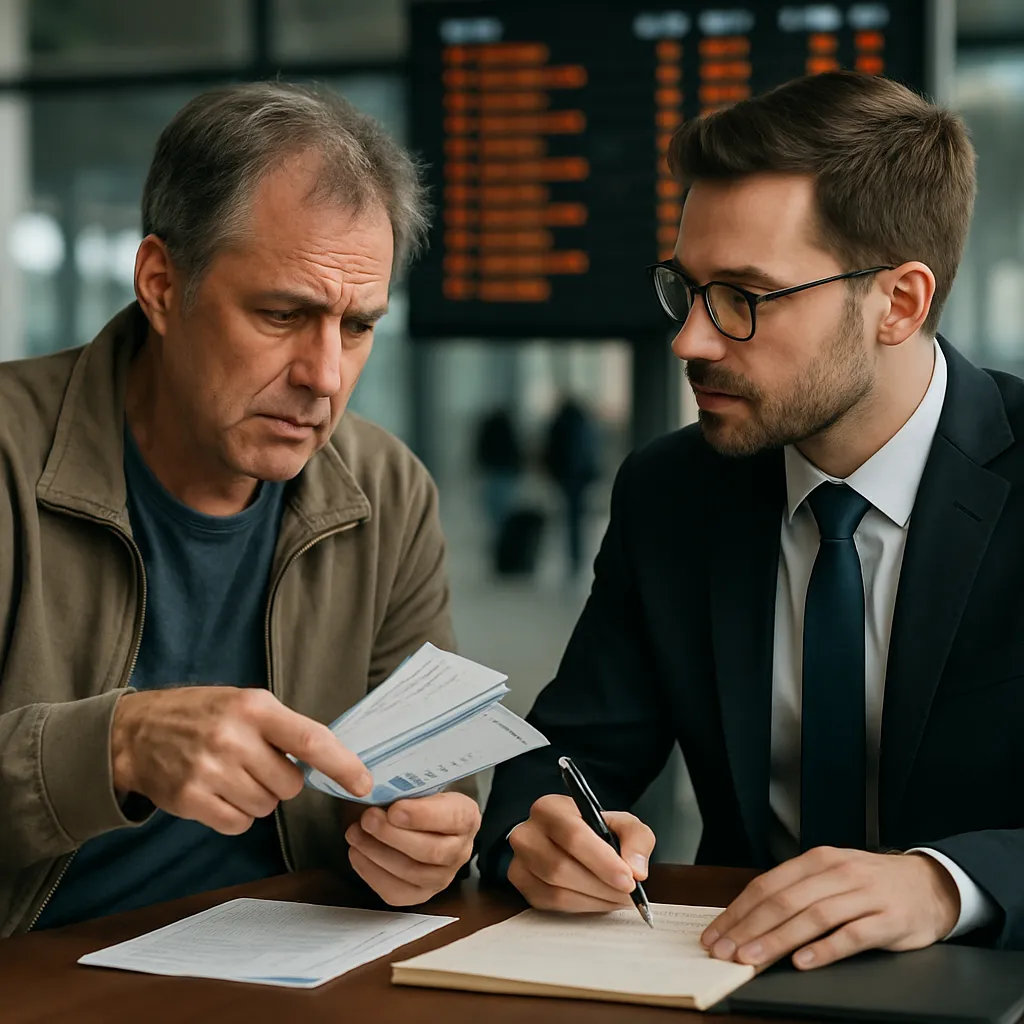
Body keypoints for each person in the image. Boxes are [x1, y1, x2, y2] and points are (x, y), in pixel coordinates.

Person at [478, 70, 1024, 967]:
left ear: (899, 302)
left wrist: (942, 884)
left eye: (744, 298)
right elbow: (562, 759)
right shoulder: (671, 493)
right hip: (726, 973)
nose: (690, 339)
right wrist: (538, 838)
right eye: (685, 289)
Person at [0, 82, 480, 937]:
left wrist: (427, 839)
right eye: (282, 314)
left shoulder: (388, 492)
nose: (325, 377)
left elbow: (433, 781)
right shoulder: (8, 457)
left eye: (358, 326)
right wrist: (116, 746)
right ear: (159, 283)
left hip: (302, 967)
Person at [542, 396, 599, 579]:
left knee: (571, 520)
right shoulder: (585, 425)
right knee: (577, 520)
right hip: (580, 478)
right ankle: (576, 558)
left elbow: (551, 450)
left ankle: (573, 559)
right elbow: (591, 452)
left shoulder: (560, 423)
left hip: (567, 477)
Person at [474, 406, 523, 564]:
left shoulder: (489, 430)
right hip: (505, 474)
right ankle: (504, 548)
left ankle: (499, 548)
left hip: (494, 474)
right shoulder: (509, 431)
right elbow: (517, 454)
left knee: (495, 514)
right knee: (503, 513)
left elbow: (480, 452)